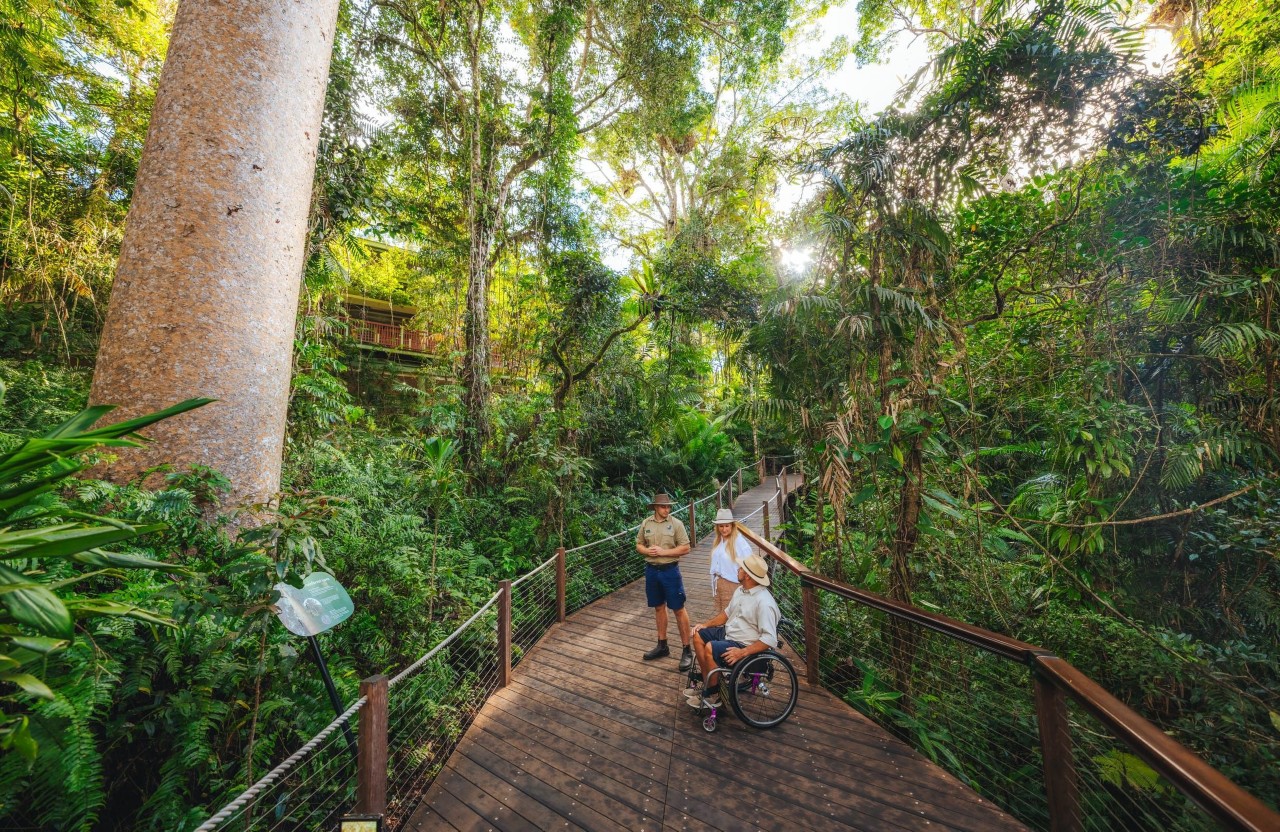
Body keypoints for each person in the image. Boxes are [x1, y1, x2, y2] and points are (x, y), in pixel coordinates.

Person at [685, 553, 780, 707]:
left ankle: (713, 695)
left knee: (710, 647)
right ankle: (708, 681)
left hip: (744, 644)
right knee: (698, 635)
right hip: (730, 633)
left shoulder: (764, 603)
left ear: (748, 575)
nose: (738, 569)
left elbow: (770, 639)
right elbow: (727, 613)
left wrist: (742, 652)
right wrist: (706, 625)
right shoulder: (741, 590)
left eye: (741, 568)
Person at [636, 493, 694, 670]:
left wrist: (663, 552)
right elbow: (638, 544)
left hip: (670, 571)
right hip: (652, 571)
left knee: (678, 608)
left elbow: (686, 547)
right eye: (663, 507)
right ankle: (662, 645)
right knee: (659, 607)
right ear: (655, 507)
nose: (667, 509)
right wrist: (646, 551)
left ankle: (687, 650)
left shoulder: (676, 524)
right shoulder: (646, 523)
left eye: (668, 506)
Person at [707, 508, 752, 616]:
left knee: (730, 617)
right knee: (721, 614)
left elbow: (749, 562)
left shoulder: (739, 542)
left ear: (732, 526)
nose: (724, 529)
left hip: (732, 584)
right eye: (721, 526)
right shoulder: (719, 540)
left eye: (727, 526)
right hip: (718, 584)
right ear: (717, 527)